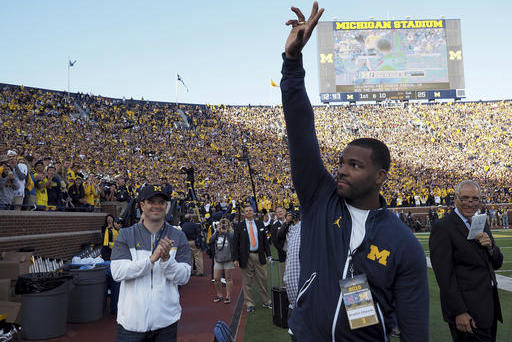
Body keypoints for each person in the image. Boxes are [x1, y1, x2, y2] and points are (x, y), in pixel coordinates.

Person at [280, 3, 429, 340]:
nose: (342, 171)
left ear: (381, 176)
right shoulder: (321, 200)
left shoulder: (402, 242)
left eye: (355, 165)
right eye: (342, 163)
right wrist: (292, 62)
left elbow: (415, 327)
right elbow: (300, 129)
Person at [111, 184, 191, 341]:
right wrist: (151, 261)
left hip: (166, 323)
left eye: (161, 202)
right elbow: (118, 272)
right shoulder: (126, 234)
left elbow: (184, 277)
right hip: (131, 325)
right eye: (151, 201)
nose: (156, 206)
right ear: (142, 205)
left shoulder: (178, 236)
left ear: (166, 206)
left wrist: (167, 260)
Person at [429, 180, 503, 342]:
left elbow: (497, 263)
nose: (470, 203)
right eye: (465, 198)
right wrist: (459, 312)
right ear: (455, 199)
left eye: (475, 199)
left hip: (488, 308)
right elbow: (444, 276)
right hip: (467, 313)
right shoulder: (443, 227)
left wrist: (491, 248)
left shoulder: (480, 222)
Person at [232, 204, 272, 312]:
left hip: (259, 255)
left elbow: (265, 241)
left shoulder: (260, 224)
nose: (249, 212)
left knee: (263, 279)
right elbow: (235, 243)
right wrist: (235, 259)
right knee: (247, 281)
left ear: (253, 212)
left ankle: (267, 301)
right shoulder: (239, 226)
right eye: (246, 211)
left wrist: (268, 255)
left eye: (250, 210)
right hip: (246, 256)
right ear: (244, 213)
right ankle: (249, 303)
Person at [209, 218, 235, 304]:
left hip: (228, 259)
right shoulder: (216, 233)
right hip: (218, 259)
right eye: (222, 225)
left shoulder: (231, 233)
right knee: (216, 278)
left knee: (228, 278)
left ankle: (228, 296)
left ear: (229, 226)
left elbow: (233, 240)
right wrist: (217, 231)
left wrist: (226, 232)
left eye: (226, 225)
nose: (224, 226)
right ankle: (219, 295)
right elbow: (210, 241)